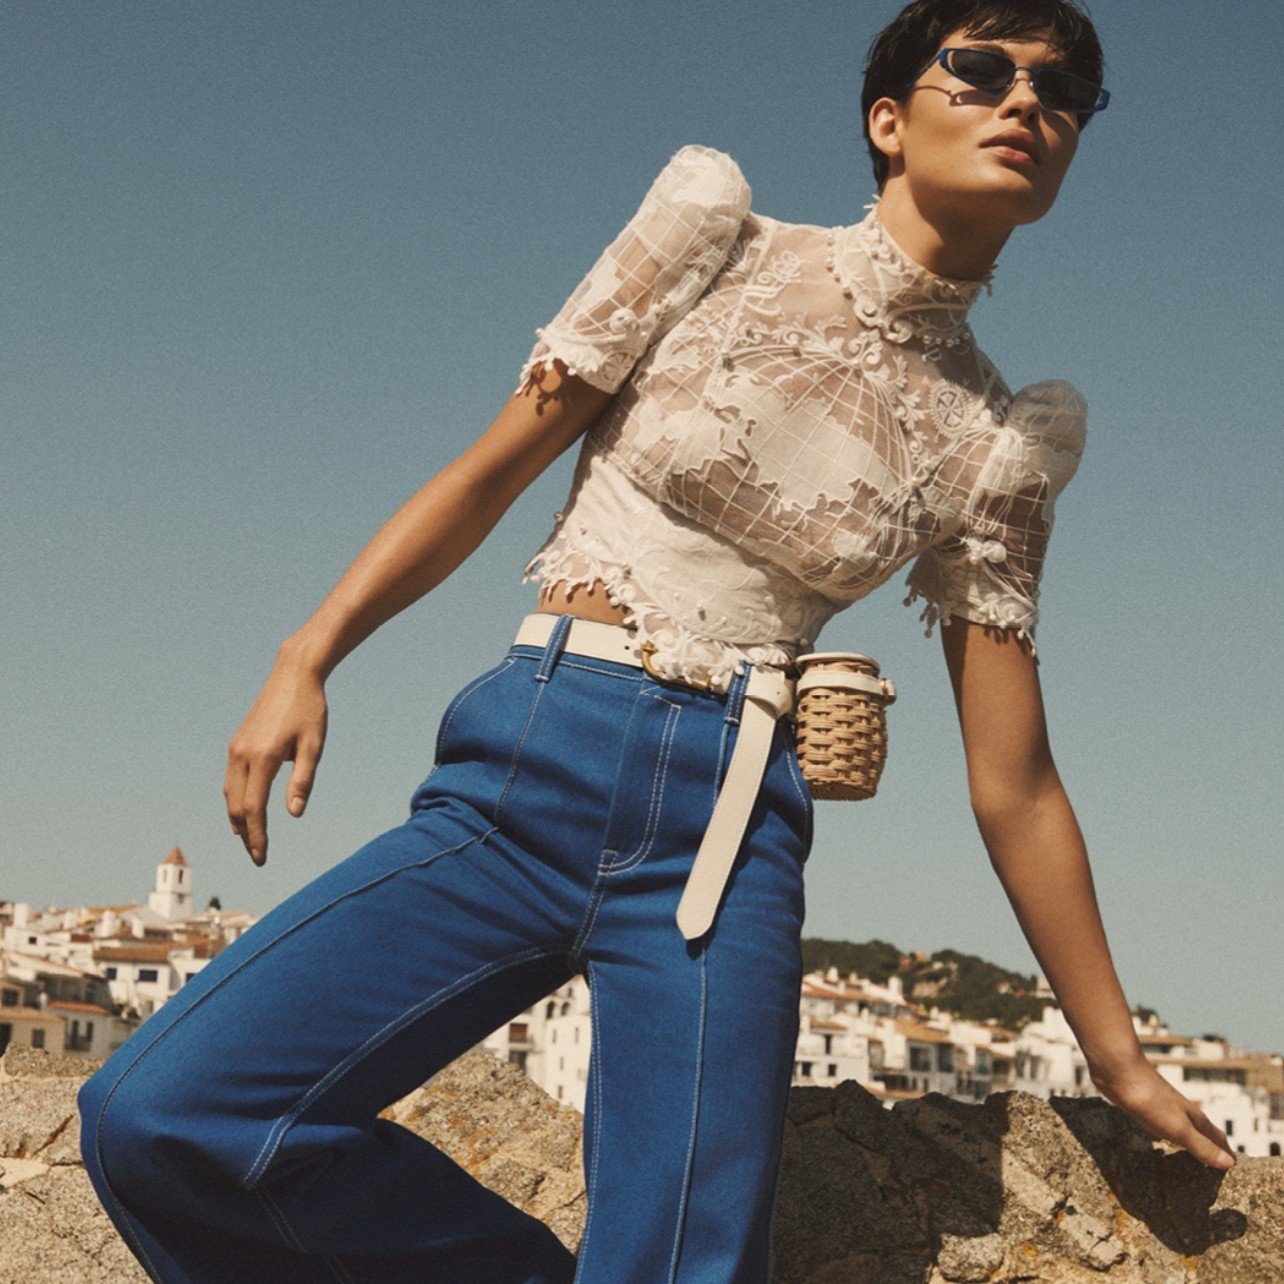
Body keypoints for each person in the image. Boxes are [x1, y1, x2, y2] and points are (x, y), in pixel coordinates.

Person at [77, 1, 1237, 1280]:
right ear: (888, 120)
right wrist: (311, 652)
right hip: (528, 765)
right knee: (160, 1114)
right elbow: (489, 473)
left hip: (728, 836)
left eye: (1067, 90)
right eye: (983, 69)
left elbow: (1013, 779)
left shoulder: (1001, 439)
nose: (1030, 101)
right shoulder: (713, 245)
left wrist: (1117, 1052)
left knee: (682, 1261)